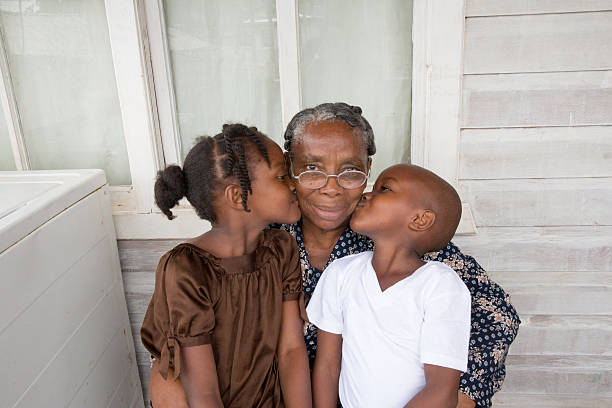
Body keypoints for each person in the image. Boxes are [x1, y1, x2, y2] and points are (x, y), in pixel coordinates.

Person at [149, 103, 520, 408]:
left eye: (350, 171)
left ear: (368, 172)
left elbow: (498, 319)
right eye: (311, 169)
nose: (331, 188)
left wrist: (451, 396)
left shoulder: (394, 236)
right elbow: (180, 349)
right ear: (289, 171)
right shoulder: (268, 239)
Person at [140, 124, 311, 407]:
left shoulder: (280, 249)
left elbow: (291, 351)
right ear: (236, 197)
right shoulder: (187, 269)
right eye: (282, 176)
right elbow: (203, 394)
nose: (294, 184)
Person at [307, 163, 471, 407]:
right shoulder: (341, 273)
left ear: (420, 219)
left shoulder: (440, 286)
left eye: (384, 188)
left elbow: (441, 391)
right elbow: (328, 367)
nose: (366, 194)